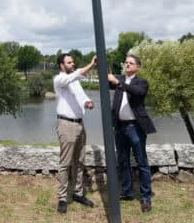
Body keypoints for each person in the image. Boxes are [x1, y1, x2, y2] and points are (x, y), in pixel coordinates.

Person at [107, 54, 156, 213]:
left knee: (142, 162)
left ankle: (145, 197)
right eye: (126, 62)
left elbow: (137, 93)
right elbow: (105, 81)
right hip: (120, 127)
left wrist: (119, 83)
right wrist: (99, 64)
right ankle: (127, 191)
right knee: (123, 161)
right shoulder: (119, 79)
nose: (127, 64)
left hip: (135, 127)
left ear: (137, 67)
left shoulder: (141, 82)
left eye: (131, 63)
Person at [53, 53, 97, 214]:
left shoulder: (75, 81)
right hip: (66, 124)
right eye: (69, 62)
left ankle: (78, 194)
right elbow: (76, 75)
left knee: (79, 162)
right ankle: (62, 198)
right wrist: (91, 65)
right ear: (61, 65)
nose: (72, 64)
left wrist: (87, 102)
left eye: (73, 62)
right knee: (65, 163)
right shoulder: (59, 80)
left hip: (79, 125)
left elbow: (81, 96)